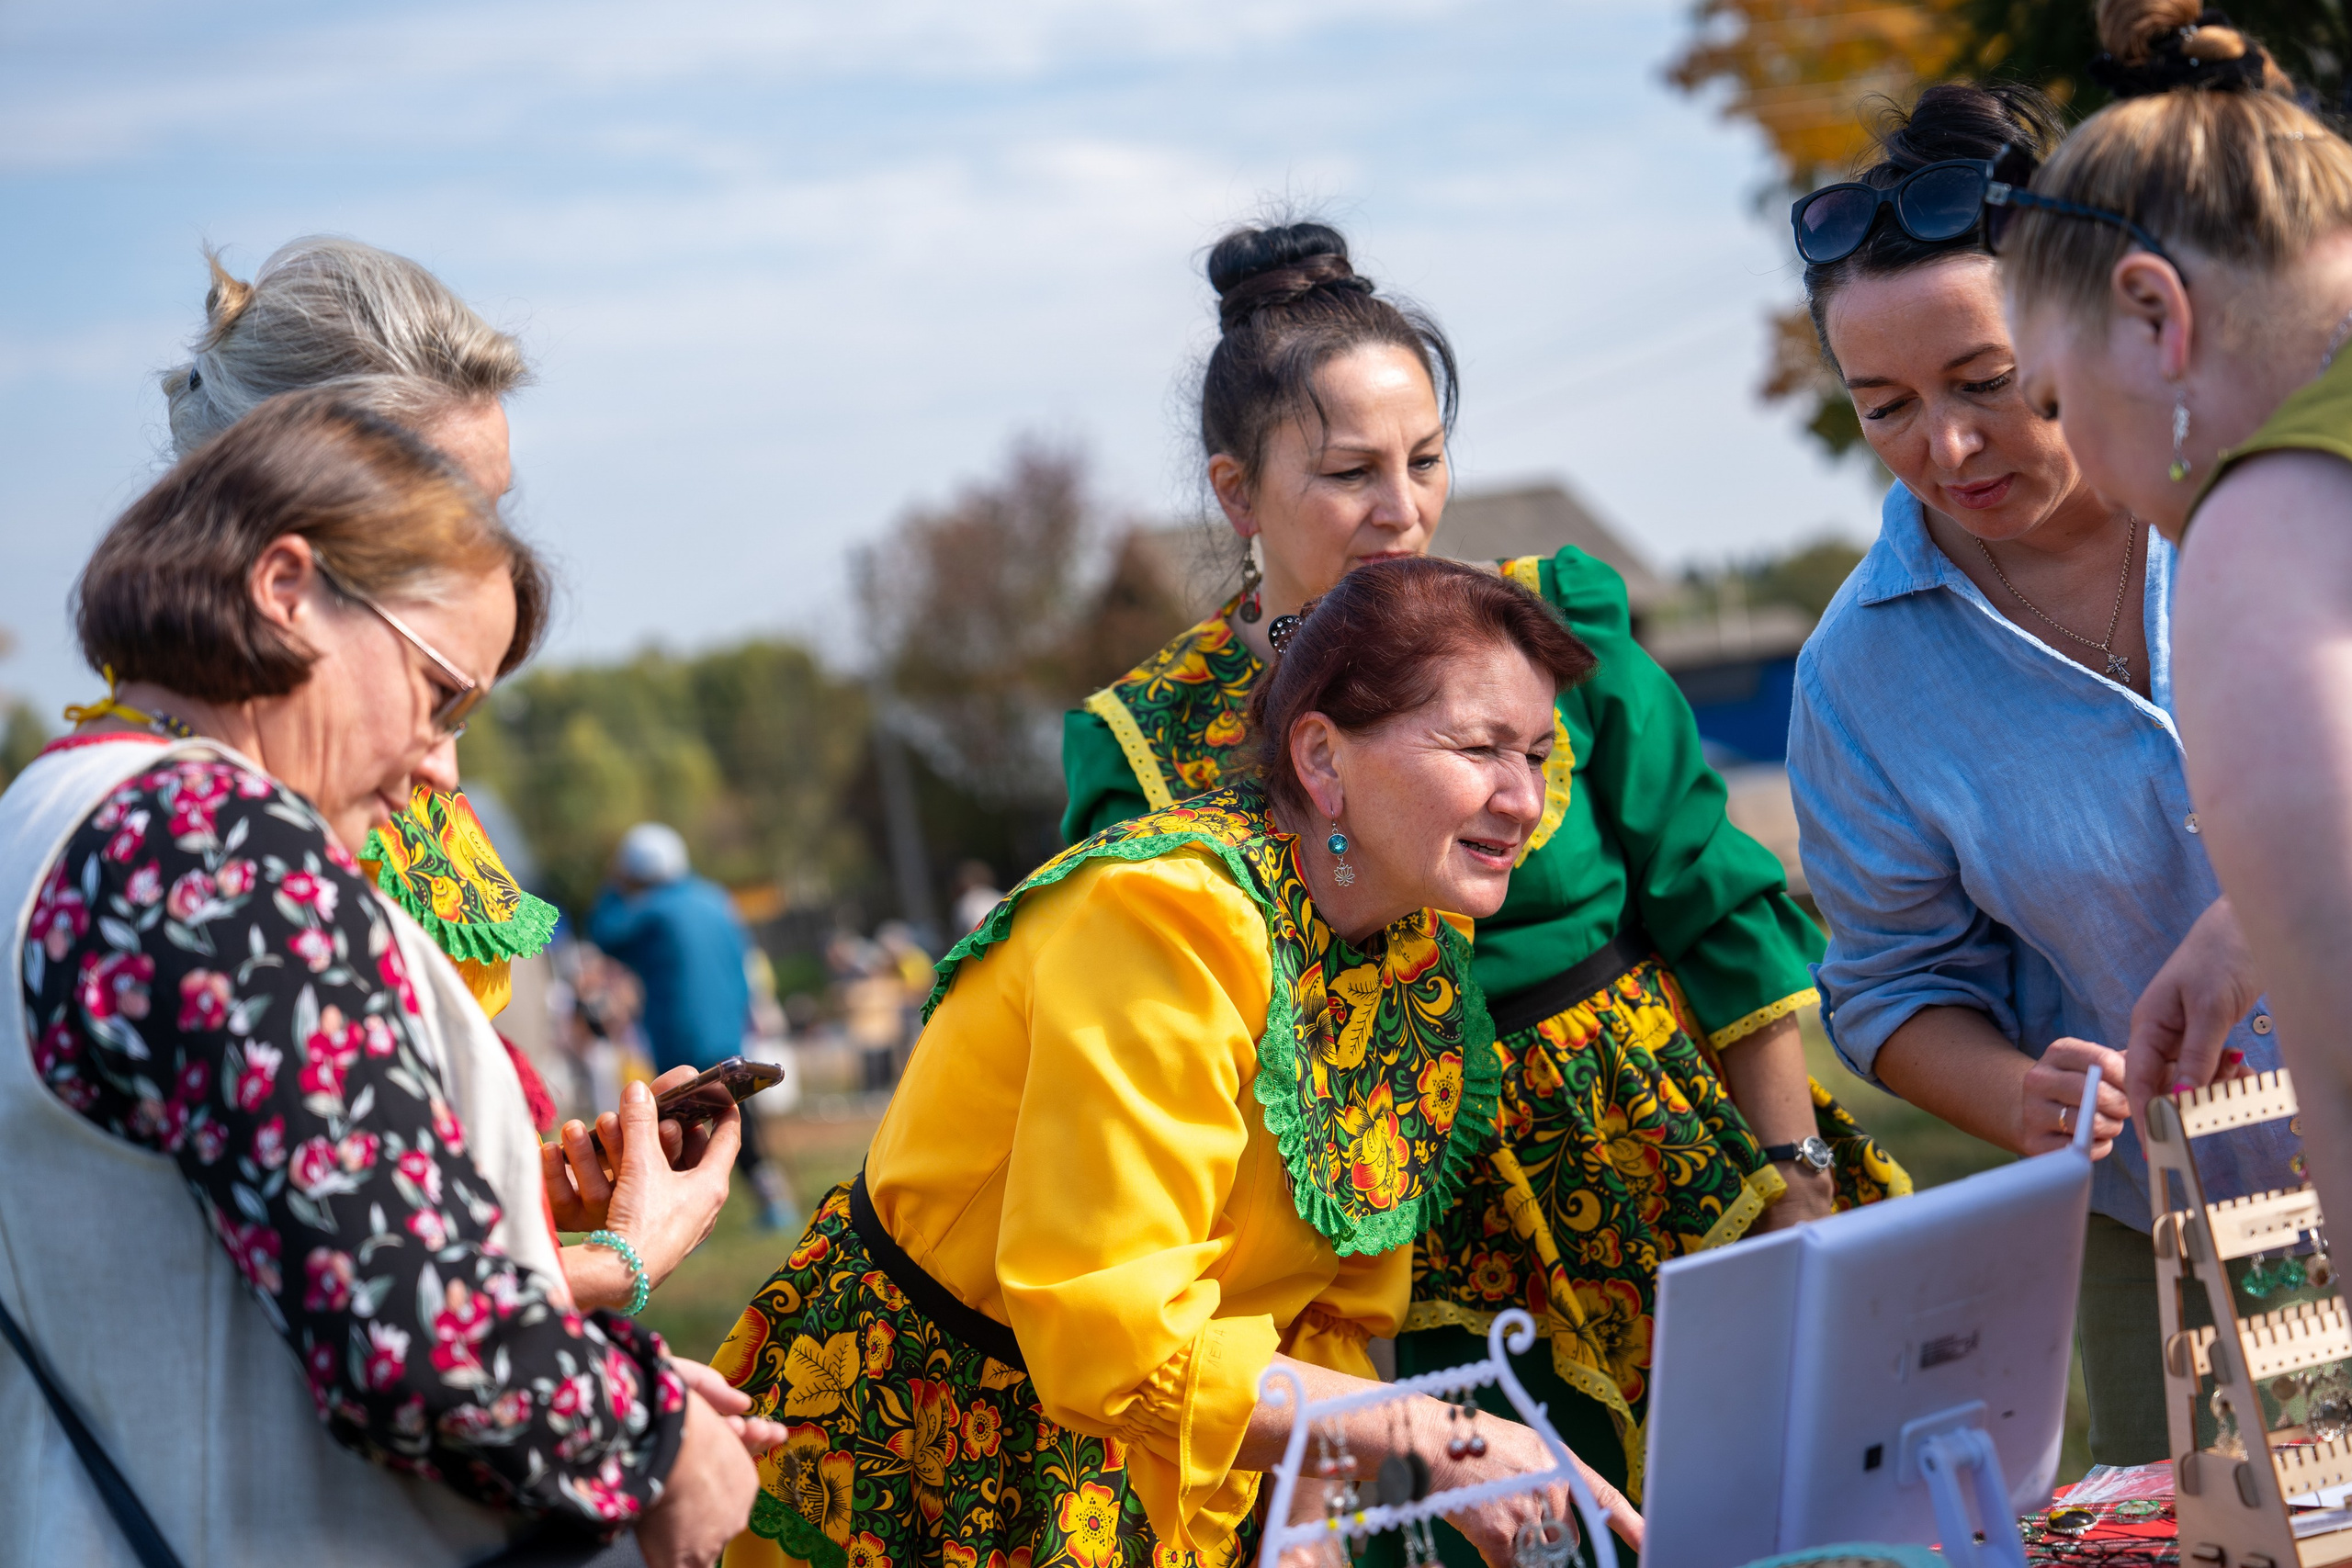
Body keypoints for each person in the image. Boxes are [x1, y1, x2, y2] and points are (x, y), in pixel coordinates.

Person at [1059, 220, 1903, 1510]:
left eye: (1427, 459)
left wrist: (1794, 1177)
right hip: (1395, 1263)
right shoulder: (1148, 740)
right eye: (1348, 473)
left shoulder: (1550, 624)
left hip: (1672, 1172)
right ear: (1239, 493)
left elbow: (1715, 902)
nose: (1402, 511)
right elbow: (1170, 1092)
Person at [715, 558, 1642, 1568]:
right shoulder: (1165, 917)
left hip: (1159, 1454)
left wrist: (1305, 1514)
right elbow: (1114, 1339)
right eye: (1478, 748)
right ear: (1323, 760)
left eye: (1539, 754)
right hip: (927, 1449)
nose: (1523, 798)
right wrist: (1444, 1442)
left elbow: (1329, 1304)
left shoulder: (1413, 946)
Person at [2, 390, 775, 1566]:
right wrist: (658, 1438)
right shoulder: (216, 844)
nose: (439, 764)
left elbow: (275, 1272)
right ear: (287, 589)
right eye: (437, 693)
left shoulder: (54, 815)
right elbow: (417, 1343)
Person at [1783, 76, 2305, 1465]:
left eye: (1987, 384)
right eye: (1883, 405)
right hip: (2162, 1225)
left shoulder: (2287, 495)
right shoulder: (1859, 672)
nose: (1945, 449)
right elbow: (1889, 983)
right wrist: (2017, 1090)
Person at [1996, 6, 2352, 1266]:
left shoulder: (2261, 532)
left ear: (2157, 316)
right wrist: (2244, 922)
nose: (2072, 454)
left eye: (2051, 396)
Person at [159, 236, 558, 1030]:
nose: (490, 561)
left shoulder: (411, 780)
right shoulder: (189, 831)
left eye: (494, 511)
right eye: (443, 523)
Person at [592, 822, 799, 1231]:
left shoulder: (652, 909)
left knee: (676, 1121)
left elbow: (605, 935)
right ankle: (770, 1197)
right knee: (735, 1114)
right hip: (726, 1025)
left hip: (681, 1030)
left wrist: (613, 886)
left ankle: (684, 1215)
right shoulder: (715, 899)